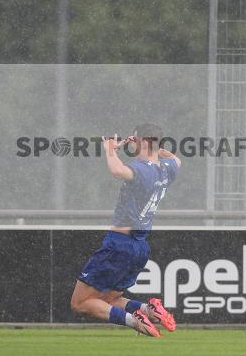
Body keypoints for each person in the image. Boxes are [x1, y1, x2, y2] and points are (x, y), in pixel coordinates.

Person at [69, 123, 181, 338]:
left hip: (119, 244)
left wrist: (110, 149)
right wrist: (155, 148)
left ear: (145, 143)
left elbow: (117, 170)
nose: (132, 143)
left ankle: (135, 321)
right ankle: (149, 311)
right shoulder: (168, 169)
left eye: (136, 140)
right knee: (109, 300)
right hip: (140, 247)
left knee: (80, 303)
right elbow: (176, 159)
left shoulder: (142, 169)